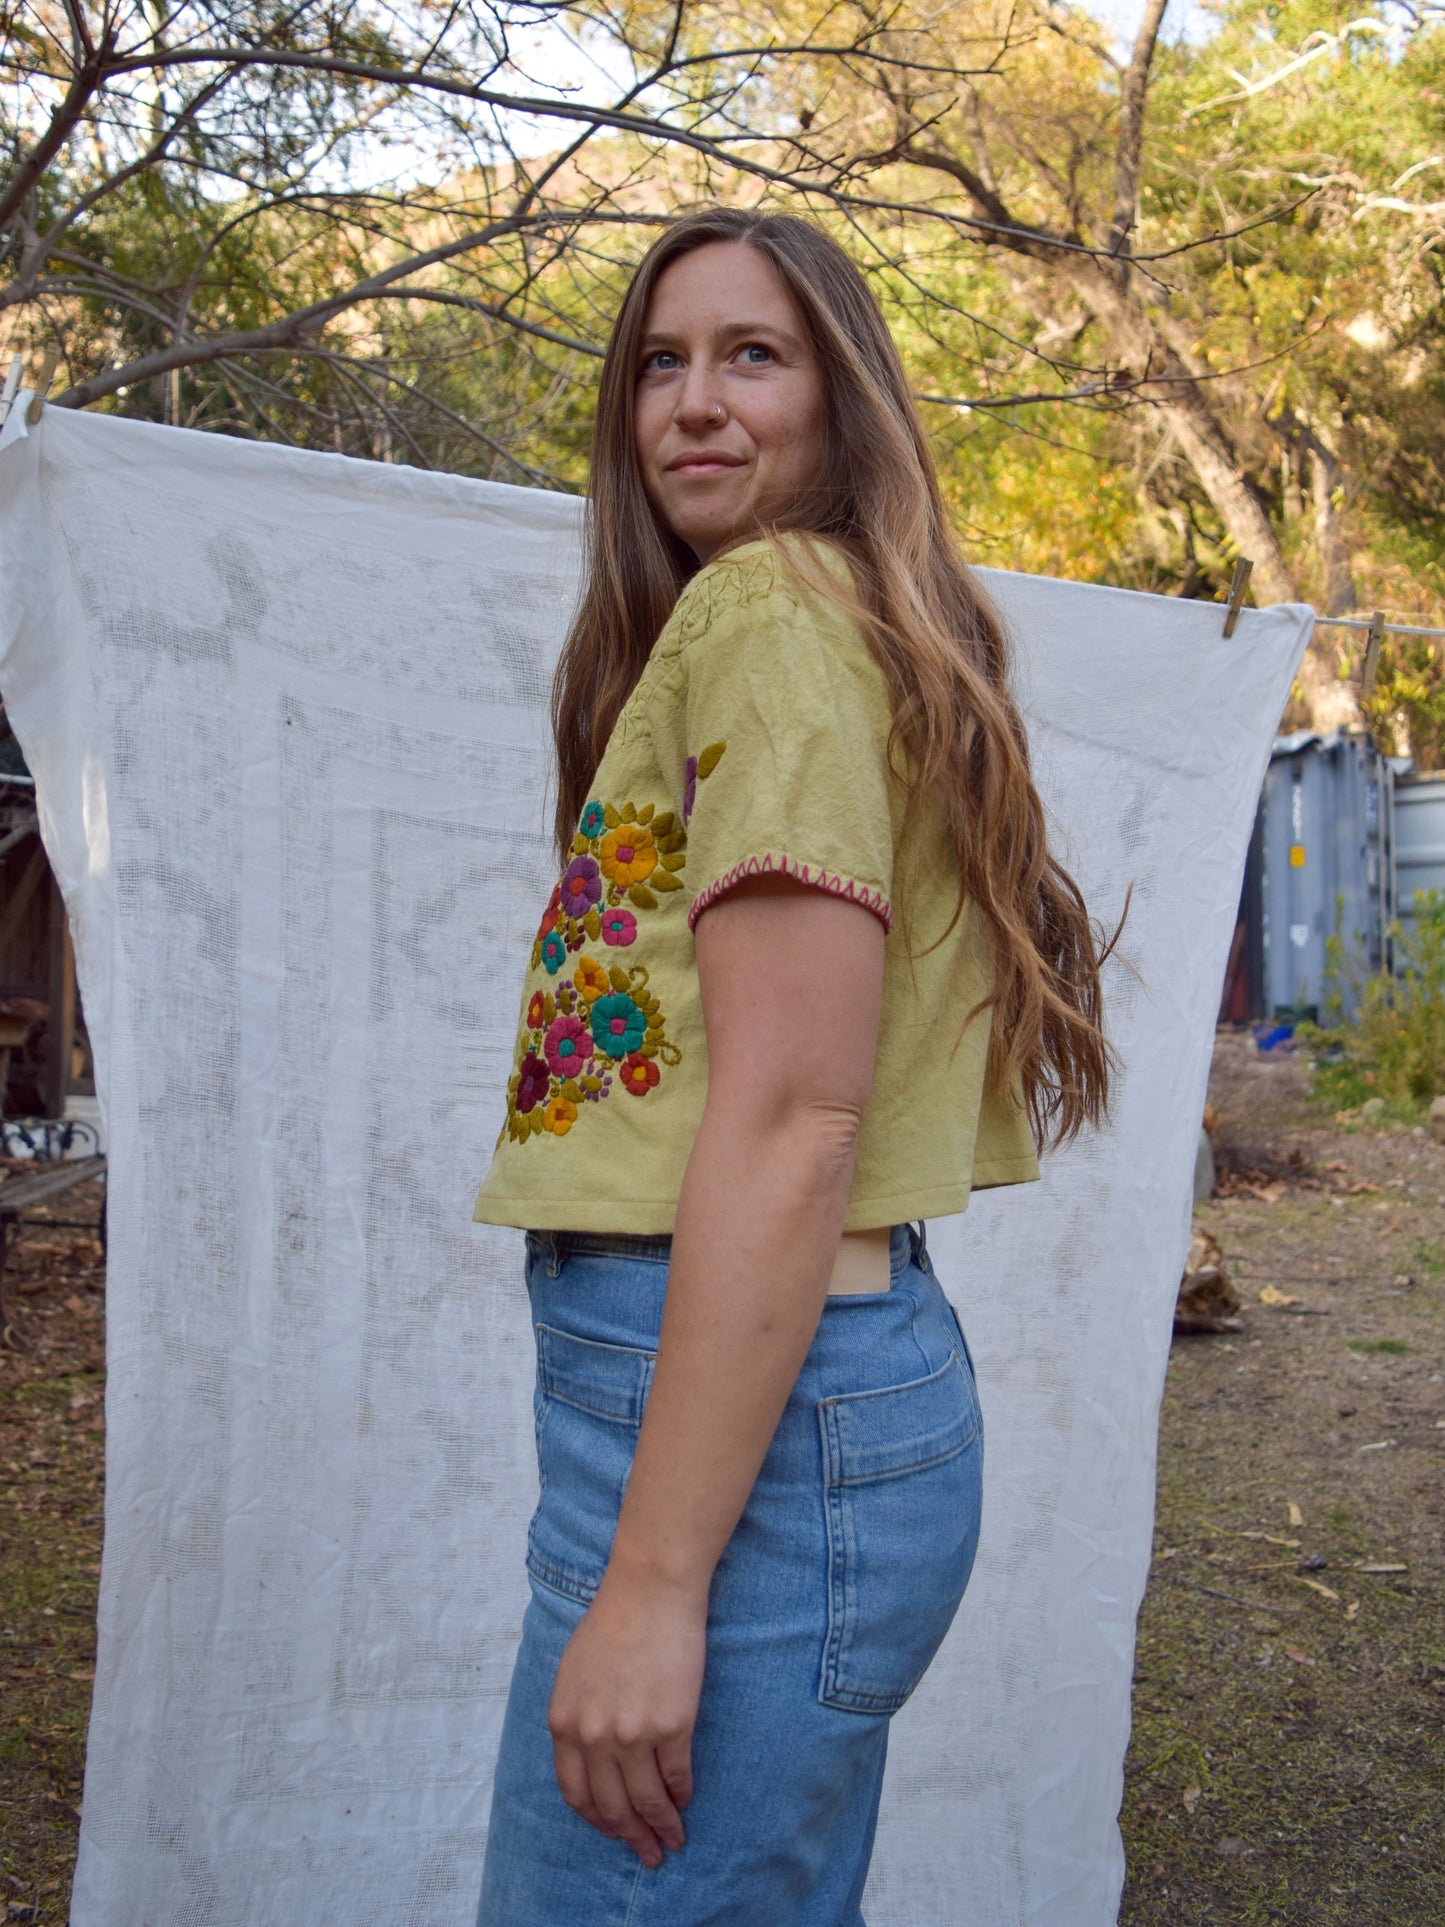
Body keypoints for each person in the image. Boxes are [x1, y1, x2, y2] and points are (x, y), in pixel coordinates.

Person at [470, 206, 1113, 1926]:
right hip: (780, 1388)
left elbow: (789, 1113)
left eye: (752, 355)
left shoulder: (769, 616)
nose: (691, 401)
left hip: (753, 1420)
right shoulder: (811, 622)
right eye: (659, 364)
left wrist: (657, 1581)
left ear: (846, 404)